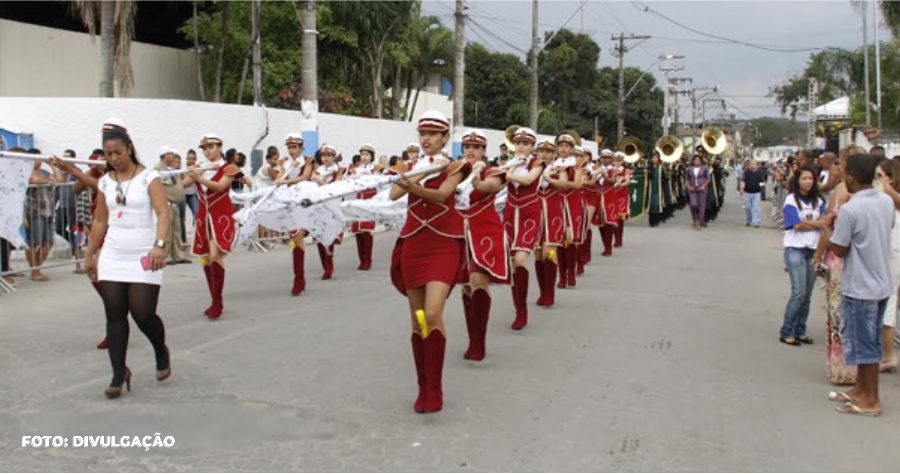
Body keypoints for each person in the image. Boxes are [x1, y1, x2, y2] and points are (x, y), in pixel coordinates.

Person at [389, 110, 469, 414]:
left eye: (433, 134)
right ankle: (422, 386)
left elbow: (441, 196)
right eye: (423, 133)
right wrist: (418, 170)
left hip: (443, 243)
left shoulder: (457, 166)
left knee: (433, 314)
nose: (426, 139)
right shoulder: (415, 165)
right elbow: (396, 194)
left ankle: (435, 388)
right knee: (417, 318)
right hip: (414, 243)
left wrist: (415, 182)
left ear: (445, 137)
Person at [83, 126, 171, 399]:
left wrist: (159, 246)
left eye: (118, 152)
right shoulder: (106, 182)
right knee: (115, 313)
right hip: (113, 254)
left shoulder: (149, 177)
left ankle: (160, 348)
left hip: (145, 253)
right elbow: (100, 219)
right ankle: (119, 373)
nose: (114, 158)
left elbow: (163, 211)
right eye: (109, 154)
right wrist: (90, 254)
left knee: (142, 312)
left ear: (129, 148)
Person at [827, 154, 894, 416]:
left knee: (864, 345)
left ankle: (870, 400)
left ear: (852, 177)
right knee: (871, 341)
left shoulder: (851, 209)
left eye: (844, 172)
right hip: (881, 282)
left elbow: (840, 249)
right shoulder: (885, 202)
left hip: (861, 285)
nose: (842, 176)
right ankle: (860, 390)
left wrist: (828, 228)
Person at [456, 129, 508, 360]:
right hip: (458, 232)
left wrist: (476, 178)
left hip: (485, 232)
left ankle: (479, 341)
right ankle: (471, 337)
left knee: (478, 282)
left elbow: (489, 187)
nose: (471, 150)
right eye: (467, 146)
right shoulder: (454, 172)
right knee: (465, 285)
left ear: (484, 151)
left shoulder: (492, 171)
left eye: (476, 147)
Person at [189, 133, 240, 320]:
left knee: (214, 254)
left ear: (220, 147)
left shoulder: (230, 168)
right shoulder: (201, 168)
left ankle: (217, 302)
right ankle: (214, 299)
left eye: (211, 147)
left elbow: (220, 187)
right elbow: (183, 185)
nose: (207, 151)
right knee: (205, 258)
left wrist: (198, 177)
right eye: (204, 148)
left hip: (221, 217)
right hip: (203, 217)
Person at [779, 165, 827, 346]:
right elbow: (795, 225)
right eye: (804, 178)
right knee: (798, 292)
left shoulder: (819, 200)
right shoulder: (791, 200)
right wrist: (817, 224)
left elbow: (826, 221)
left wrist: (812, 223)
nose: (807, 182)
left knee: (807, 295)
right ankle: (787, 330)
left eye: (810, 178)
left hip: (812, 250)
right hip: (795, 250)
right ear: (797, 180)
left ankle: (800, 330)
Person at [503, 128, 545, 324]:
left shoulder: (537, 163)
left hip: (530, 213)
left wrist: (508, 172)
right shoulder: (509, 163)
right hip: (511, 214)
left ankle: (523, 311)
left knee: (520, 259)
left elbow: (528, 180)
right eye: (518, 142)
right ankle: (518, 308)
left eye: (525, 143)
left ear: (532, 147)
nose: (521, 146)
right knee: (512, 265)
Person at [874, 158, 900, 373]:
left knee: (888, 305)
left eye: (880, 176)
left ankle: (888, 354)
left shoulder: (891, 198)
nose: (877, 181)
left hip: (894, 253)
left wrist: (888, 190)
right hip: (886, 253)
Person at [24, 149, 63, 281]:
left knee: (49, 242)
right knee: (34, 243)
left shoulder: (44, 172)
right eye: (37, 158)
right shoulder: (24, 172)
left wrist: (52, 166)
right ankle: (35, 271)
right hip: (34, 212)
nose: (39, 161)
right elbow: (34, 181)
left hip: (49, 211)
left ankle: (36, 269)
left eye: (40, 159)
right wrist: (47, 182)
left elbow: (59, 180)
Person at [312, 144, 344, 280]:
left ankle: (329, 266)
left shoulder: (339, 170)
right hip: (320, 205)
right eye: (323, 156)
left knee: (329, 237)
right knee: (319, 238)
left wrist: (323, 184)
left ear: (334, 157)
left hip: (333, 205)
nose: (325, 158)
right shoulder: (318, 170)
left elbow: (338, 186)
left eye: (329, 156)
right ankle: (324, 266)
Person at [155, 147, 190, 265]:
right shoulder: (158, 169)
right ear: (164, 155)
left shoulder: (173, 169)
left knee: (176, 231)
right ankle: (166, 255)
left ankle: (178, 255)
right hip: (166, 204)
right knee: (167, 231)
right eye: (171, 153)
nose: (173, 155)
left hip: (175, 204)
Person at [349, 144, 380, 271]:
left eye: (367, 155)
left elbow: (376, 180)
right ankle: (361, 259)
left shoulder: (375, 168)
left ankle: (368, 259)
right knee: (358, 230)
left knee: (366, 229)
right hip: (357, 198)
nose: (364, 157)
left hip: (369, 198)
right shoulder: (355, 168)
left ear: (372, 157)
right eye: (362, 154)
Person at [55, 149, 83, 273]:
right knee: (58, 228)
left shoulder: (77, 172)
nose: (64, 159)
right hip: (62, 206)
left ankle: (77, 263)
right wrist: (54, 203)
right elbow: (57, 189)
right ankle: (73, 245)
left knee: (74, 231)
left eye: (67, 157)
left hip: (74, 206)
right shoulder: (61, 173)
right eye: (63, 156)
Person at [684, 154, 710, 230]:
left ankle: (698, 222)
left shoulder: (704, 168)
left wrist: (703, 186)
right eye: (695, 160)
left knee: (701, 206)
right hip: (692, 189)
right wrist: (688, 186)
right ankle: (694, 218)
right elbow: (687, 179)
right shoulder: (689, 169)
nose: (696, 161)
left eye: (698, 160)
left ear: (701, 161)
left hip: (701, 189)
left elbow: (708, 179)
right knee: (693, 204)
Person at [741, 160, 765, 228]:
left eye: (754, 164)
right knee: (748, 207)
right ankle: (749, 220)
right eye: (752, 164)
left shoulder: (760, 172)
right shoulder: (746, 172)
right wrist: (742, 191)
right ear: (749, 165)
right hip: (747, 192)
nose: (753, 165)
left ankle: (756, 221)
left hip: (756, 192)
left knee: (756, 207)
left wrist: (761, 188)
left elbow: (762, 181)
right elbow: (742, 182)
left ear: (756, 165)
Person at [647, 151, 665, 227]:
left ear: (658, 159)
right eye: (653, 158)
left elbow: (664, 178)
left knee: (657, 204)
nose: (654, 159)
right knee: (651, 204)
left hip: (658, 188)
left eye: (656, 158)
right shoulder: (649, 168)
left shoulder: (661, 167)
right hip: (651, 188)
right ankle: (651, 221)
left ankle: (657, 220)